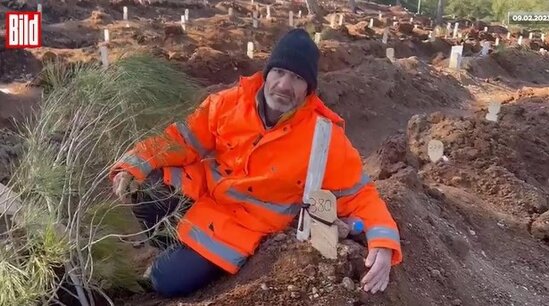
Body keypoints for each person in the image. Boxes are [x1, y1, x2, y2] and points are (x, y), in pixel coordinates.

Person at [110, 28, 403, 297]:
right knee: (144, 186)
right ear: (267, 73)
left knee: (165, 281)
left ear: (309, 89)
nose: (284, 85)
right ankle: (177, 248)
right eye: (279, 72)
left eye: (298, 78)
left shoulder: (323, 137)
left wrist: (383, 242)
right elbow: (182, 140)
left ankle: (183, 261)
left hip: (238, 228)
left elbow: (359, 193)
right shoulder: (228, 103)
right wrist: (137, 162)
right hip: (204, 196)